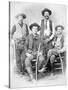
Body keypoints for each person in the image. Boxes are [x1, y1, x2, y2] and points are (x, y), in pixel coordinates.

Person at [38, 8, 55, 72]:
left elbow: (53, 33)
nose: (46, 15)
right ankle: (43, 69)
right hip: (42, 39)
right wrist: (40, 38)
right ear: (43, 15)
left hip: (49, 39)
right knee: (43, 53)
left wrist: (49, 39)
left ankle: (49, 68)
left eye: (47, 14)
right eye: (45, 14)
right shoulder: (40, 22)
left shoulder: (51, 22)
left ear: (49, 15)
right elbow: (38, 31)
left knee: (49, 53)